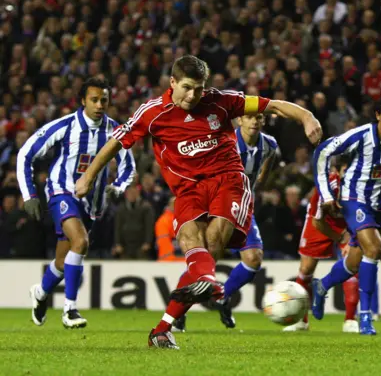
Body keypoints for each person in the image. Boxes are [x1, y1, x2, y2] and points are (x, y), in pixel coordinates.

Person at [75, 55, 321, 349]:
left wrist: (308, 117)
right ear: (173, 83)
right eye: (187, 88)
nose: (193, 95)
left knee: (213, 241)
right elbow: (115, 141)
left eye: (199, 89)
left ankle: (205, 285)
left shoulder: (223, 101)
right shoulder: (152, 112)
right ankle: (166, 326)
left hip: (227, 179)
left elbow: (274, 105)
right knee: (190, 239)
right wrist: (88, 177)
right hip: (188, 189)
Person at [18, 77, 135, 329]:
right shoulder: (65, 126)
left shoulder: (115, 131)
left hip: (91, 204)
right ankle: (69, 309)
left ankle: (39, 292)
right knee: (81, 242)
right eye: (94, 99)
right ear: (83, 101)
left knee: (62, 262)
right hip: (62, 192)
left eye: (104, 99)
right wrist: (30, 195)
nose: (99, 104)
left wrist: (118, 187)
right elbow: (25, 153)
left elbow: (129, 167)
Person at [310, 93, 381, 335]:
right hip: (354, 199)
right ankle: (366, 317)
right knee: (374, 249)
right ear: (377, 116)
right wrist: (327, 194)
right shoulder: (360, 135)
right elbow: (322, 152)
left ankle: (322, 285)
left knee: (354, 263)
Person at [283, 155, 360, 333]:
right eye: (346, 172)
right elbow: (318, 222)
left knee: (353, 266)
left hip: (346, 225)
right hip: (319, 223)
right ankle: (301, 321)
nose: (351, 176)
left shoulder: (361, 186)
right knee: (306, 269)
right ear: (337, 172)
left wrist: (351, 235)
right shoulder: (326, 187)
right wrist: (340, 237)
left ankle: (350, 320)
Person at [216, 113, 280, 328]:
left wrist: (257, 185)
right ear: (239, 120)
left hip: (244, 208)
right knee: (205, 258)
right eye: (249, 117)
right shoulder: (225, 143)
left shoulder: (270, 144)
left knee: (253, 258)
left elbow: (265, 170)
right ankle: (178, 310)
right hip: (218, 207)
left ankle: (222, 297)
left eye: (259, 117)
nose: (254, 121)